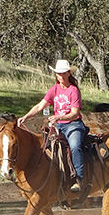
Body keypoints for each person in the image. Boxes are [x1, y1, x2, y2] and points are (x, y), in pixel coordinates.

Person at [17, 60, 85, 193]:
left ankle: (79, 179)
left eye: (64, 73)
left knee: (75, 146)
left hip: (73, 125)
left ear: (68, 73)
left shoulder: (73, 90)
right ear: (56, 75)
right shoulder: (54, 90)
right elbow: (40, 106)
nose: (61, 76)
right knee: (43, 147)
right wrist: (26, 116)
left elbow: (75, 113)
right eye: (59, 74)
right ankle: (53, 180)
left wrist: (59, 117)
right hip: (58, 126)